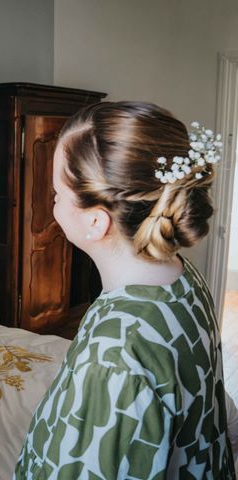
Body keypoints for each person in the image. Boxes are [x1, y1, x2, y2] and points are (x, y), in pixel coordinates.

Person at [14, 101, 235, 479]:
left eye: (57, 195)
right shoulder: (183, 277)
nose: (53, 204)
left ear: (96, 221)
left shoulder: (114, 354)